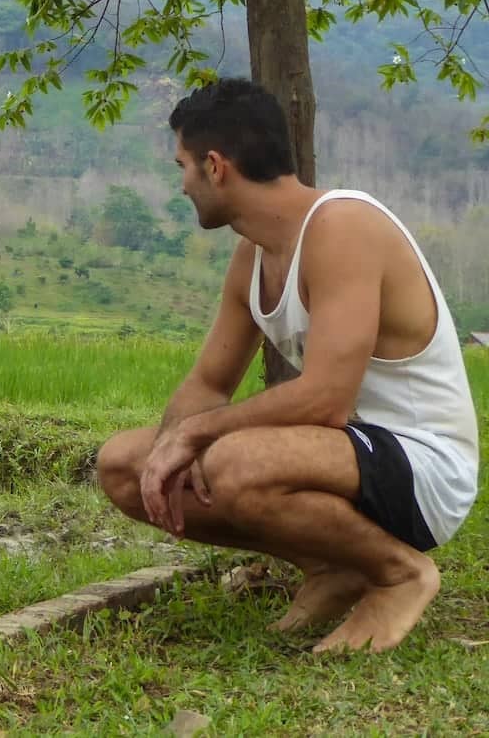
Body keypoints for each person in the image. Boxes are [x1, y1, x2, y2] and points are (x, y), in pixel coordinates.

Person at [95, 77, 479, 653]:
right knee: (125, 465)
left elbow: (326, 400)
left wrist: (199, 435)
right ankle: (333, 566)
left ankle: (399, 572)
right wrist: (171, 450)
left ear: (216, 166)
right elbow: (208, 381)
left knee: (232, 462)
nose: (181, 185)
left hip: (424, 468)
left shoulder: (343, 226)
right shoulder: (253, 255)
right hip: (346, 456)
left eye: (183, 167)